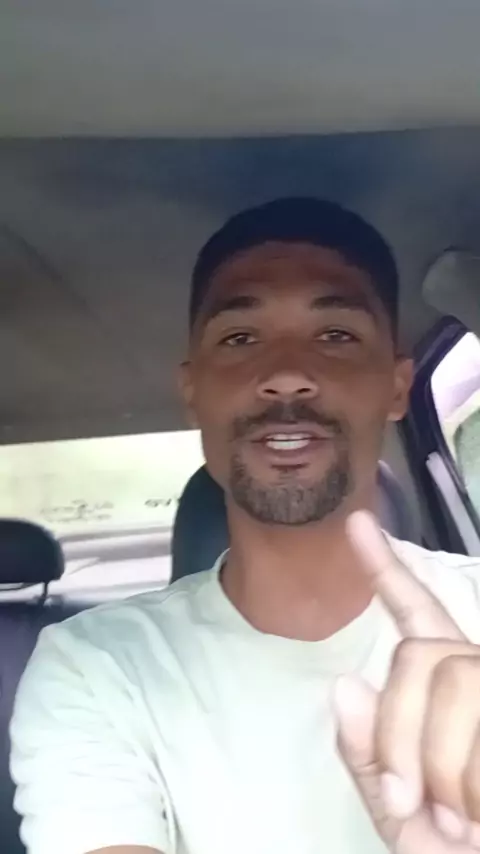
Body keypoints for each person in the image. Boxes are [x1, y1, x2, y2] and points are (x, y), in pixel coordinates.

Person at [10, 197, 480, 854]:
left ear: (398, 387)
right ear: (193, 392)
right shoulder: (95, 666)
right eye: (239, 338)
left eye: (336, 335)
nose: (286, 374)